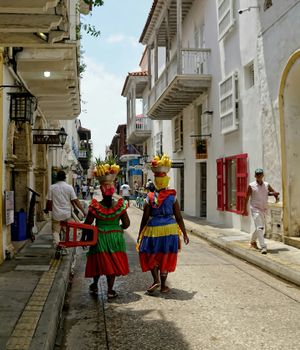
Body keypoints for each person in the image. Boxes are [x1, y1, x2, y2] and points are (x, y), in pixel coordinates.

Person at [137, 157, 189, 294]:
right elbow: (178, 217)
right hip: (170, 229)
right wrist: (184, 233)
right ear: (166, 182)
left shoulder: (149, 197)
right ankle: (164, 285)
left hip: (153, 229)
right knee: (166, 255)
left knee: (150, 254)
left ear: (155, 182)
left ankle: (156, 280)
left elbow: (145, 217)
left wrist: (140, 233)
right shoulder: (173, 197)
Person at [83, 175, 130, 299]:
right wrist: (117, 228)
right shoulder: (120, 206)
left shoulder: (95, 206)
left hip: (99, 237)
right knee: (113, 262)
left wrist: (84, 238)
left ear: (102, 194)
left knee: (99, 261)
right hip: (115, 237)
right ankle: (110, 290)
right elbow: (127, 224)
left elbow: (87, 223)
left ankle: (94, 284)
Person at [45, 170, 86, 250]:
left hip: (56, 214)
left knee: (55, 231)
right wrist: (82, 211)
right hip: (66, 214)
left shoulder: (52, 187)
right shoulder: (69, 187)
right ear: (65, 178)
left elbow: (49, 202)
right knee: (65, 230)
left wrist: (47, 209)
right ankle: (63, 245)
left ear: (57, 178)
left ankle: (57, 245)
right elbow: (75, 200)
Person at [243, 168, 279, 254]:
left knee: (260, 227)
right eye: (257, 174)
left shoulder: (266, 185)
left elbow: (271, 192)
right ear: (255, 176)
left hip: (264, 209)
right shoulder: (251, 185)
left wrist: (276, 197)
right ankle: (263, 247)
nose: (259, 176)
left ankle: (252, 242)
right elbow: (246, 197)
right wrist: (244, 209)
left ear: (263, 175)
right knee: (260, 227)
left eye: (260, 174)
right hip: (255, 209)